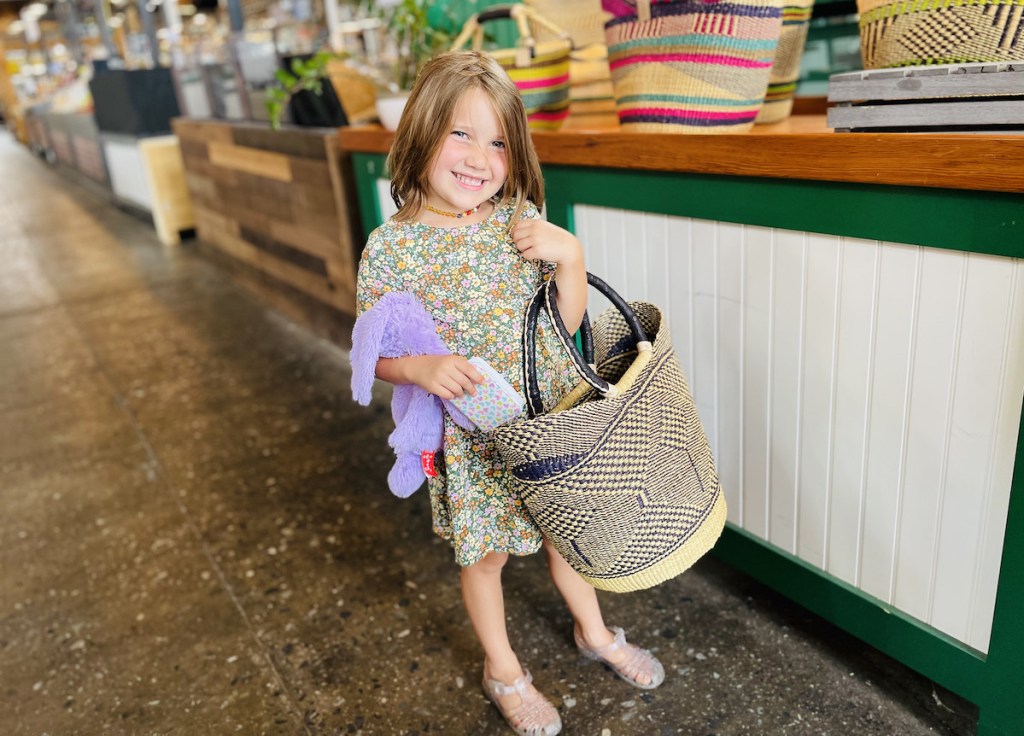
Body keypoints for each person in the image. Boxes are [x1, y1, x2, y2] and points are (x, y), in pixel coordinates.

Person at [355, 51, 664, 736]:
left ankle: (596, 633)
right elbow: (372, 353)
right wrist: (421, 370)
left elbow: (568, 325)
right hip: (472, 442)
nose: (478, 157)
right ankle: (503, 670)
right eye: (460, 134)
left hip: (546, 424)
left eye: (497, 141)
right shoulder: (391, 247)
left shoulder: (518, 221)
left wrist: (571, 258)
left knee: (565, 537)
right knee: (485, 556)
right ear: (421, 134)